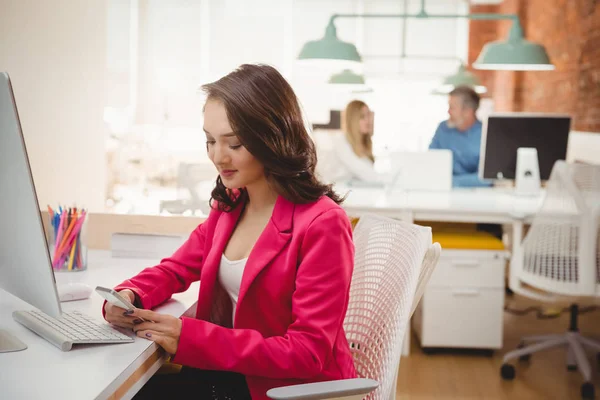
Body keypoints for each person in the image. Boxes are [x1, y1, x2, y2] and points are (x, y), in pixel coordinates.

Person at [103, 64, 357, 399]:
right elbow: (176, 268)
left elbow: (307, 352)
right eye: (210, 141)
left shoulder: (323, 224)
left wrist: (189, 337)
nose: (217, 156)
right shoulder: (231, 205)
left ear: (273, 139)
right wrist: (130, 295)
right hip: (229, 374)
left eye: (234, 144)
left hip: (286, 389)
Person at [429, 85, 492, 188]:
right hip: (441, 192)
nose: (448, 112)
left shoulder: (486, 134)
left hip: (476, 196)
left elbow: (486, 179)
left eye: (452, 107)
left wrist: (450, 181)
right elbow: (430, 161)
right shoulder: (443, 129)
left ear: (468, 111)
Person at [324, 99, 382, 184]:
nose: (368, 120)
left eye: (368, 115)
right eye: (362, 117)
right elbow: (366, 173)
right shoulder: (340, 141)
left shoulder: (364, 143)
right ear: (353, 119)